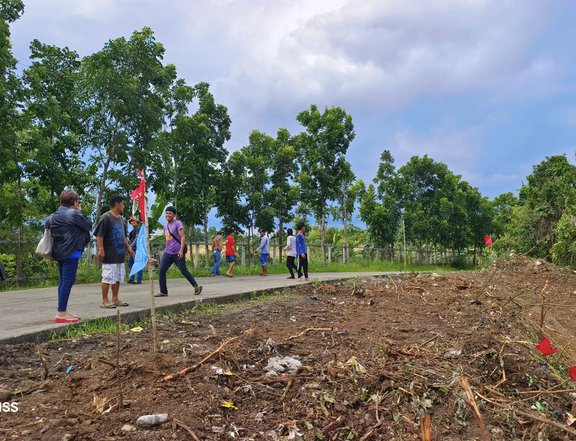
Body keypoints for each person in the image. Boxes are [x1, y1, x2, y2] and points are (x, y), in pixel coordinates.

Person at [50, 189, 92, 323]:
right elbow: (88, 225)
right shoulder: (74, 214)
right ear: (74, 201)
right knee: (67, 282)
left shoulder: (54, 215)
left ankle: (63, 310)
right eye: (77, 201)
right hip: (71, 252)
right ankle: (61, 313)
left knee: (63, 282)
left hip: (59, 252)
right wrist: (79, 211)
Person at [94, 195, 134, 308]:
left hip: (119, 253)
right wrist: (101, 249)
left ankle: (115, 299)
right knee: (107, 277)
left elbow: (123, 236)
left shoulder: (121, 219)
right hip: (109, 253)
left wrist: (129, 248)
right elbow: (99, 235)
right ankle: (105, 300)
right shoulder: (106, 217)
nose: (123, 206)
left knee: (117, 277)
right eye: (122, 204)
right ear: (117, 204)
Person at [156, 206, 203, 297]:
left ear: (174, 215)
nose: (168, 215)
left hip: (178, 252)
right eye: (167, 213)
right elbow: (166, 239)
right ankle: (163, 291)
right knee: (161, 271)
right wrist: (165, 248)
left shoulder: (178, 223)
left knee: (183, 270)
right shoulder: (165, 226)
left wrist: (181, 250)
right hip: (168, 252)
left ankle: (196, 287)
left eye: (170, 213)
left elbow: (182, 237)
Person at [127, 216, 143, 284]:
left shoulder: (138, 229)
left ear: (137, 222)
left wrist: (130, 246)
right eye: (131, 221)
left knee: (138, 264)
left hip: (137, 249)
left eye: (134, 221)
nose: (132, 222)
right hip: (133, 249)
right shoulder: (132, 231)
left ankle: (138, 279)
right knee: (131, 264)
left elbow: (137, 239)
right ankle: (132, 278)